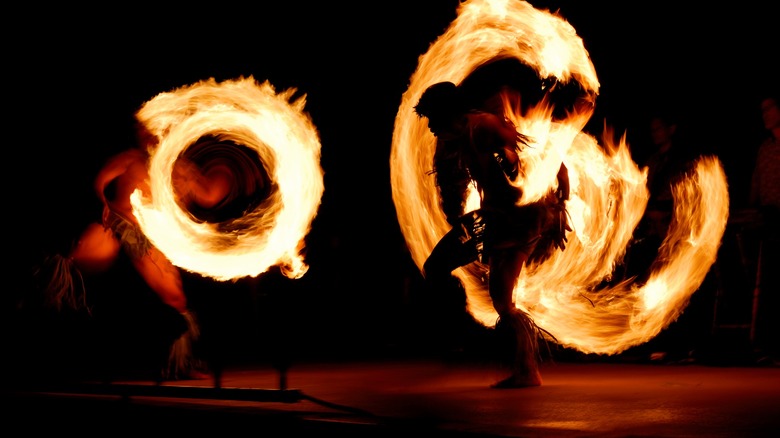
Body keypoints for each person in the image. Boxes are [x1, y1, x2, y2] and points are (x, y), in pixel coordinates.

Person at [35, 121, 232, 380]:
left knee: (176, 298)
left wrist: (224, 174)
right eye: (143, 132)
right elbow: (101, 180)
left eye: (154, 132)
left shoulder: (181, 169)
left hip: (148, 237)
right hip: (120, 221)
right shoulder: (130, 159)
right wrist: (102, 202)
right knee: (74, 259)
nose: (148, 137)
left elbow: (208, 195)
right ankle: (35, 300)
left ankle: (181, 361)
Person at [415, 81, 570, 388]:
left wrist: (555, 192)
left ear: (447, 113)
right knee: (498, 297)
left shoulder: (481, 127)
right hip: (504, 220)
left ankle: (466, 342)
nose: (431, 127)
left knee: (442, 270)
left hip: (513, 220)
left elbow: (534, 153)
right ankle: (523, 368)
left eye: (432, 119)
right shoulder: (462, 135)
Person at [748, 90, 780, 361]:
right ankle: (767, 345)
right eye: (762, 111)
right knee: (770, 283)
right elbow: (757, 185)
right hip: (769, 219)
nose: (765, 115)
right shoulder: (765, 148)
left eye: (769, 109)